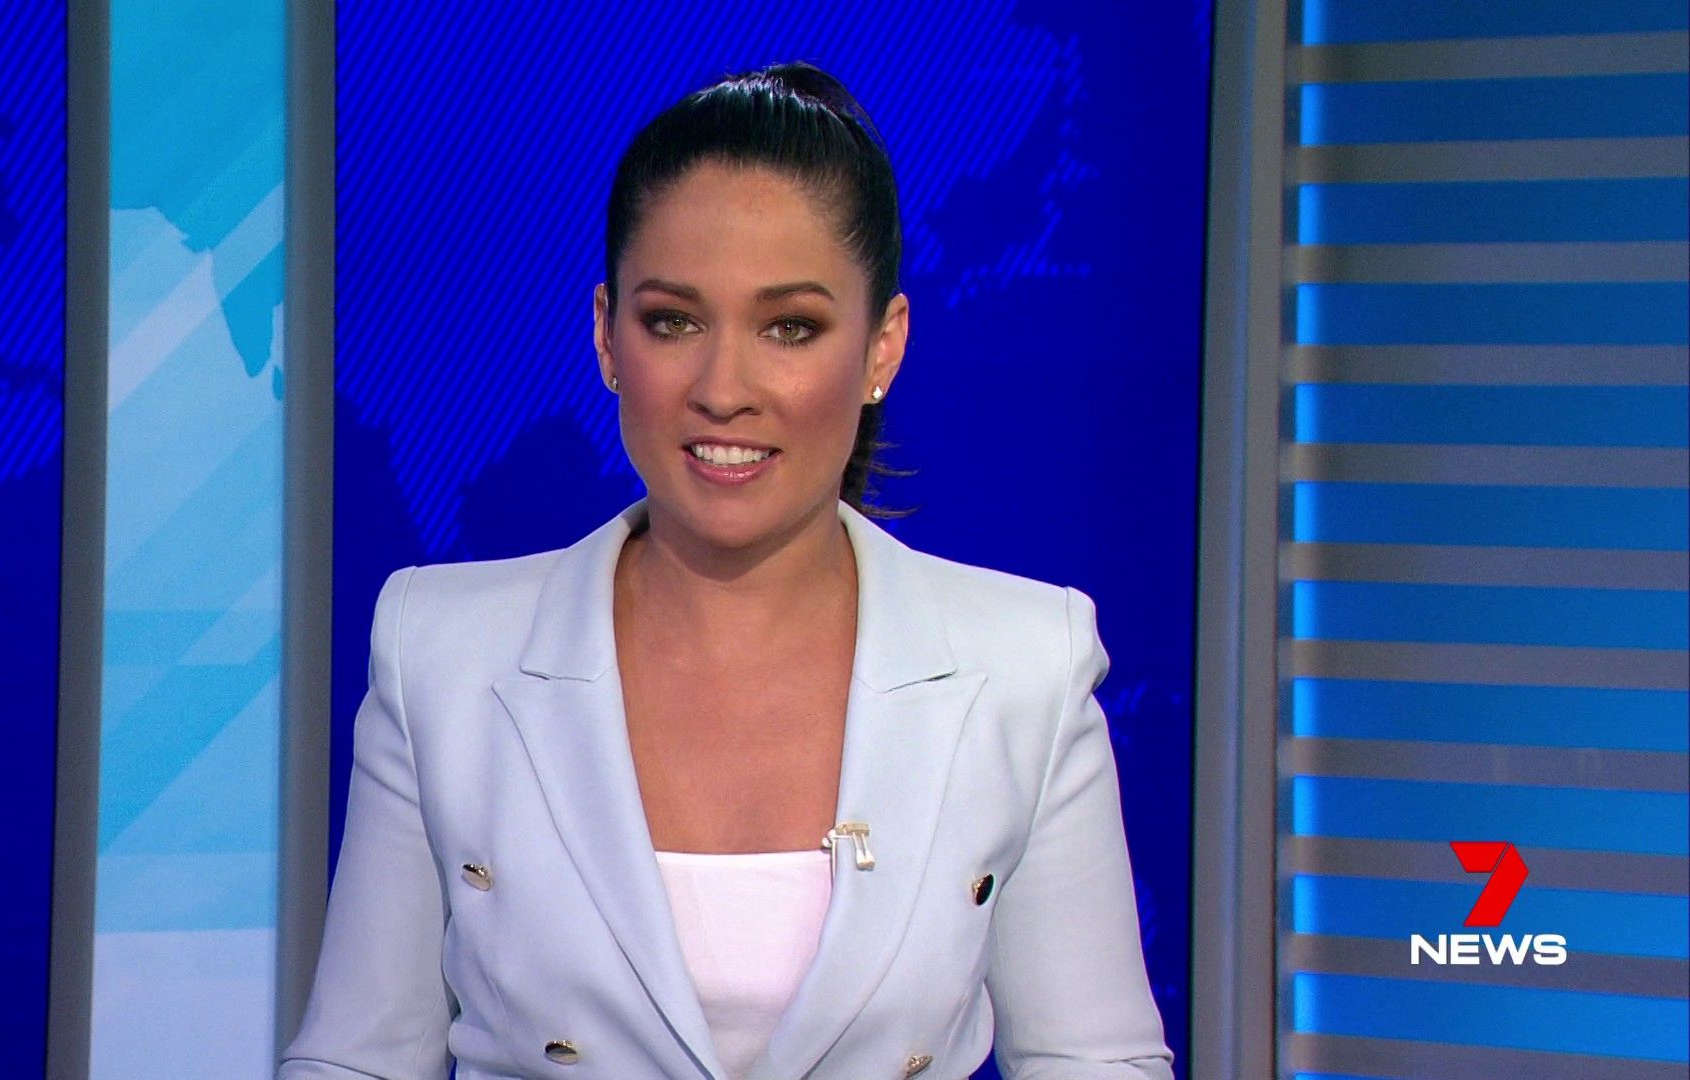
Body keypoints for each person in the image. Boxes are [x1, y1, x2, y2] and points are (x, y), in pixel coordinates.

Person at [281, 62, 1173, 1080]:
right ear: (607, 334)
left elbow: (1096, 1063)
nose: (723, 388)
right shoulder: (441, 656)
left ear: (882, 349)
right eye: (674, 321)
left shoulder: (1024, 670)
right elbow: (357, 1061)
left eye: (790, 328)